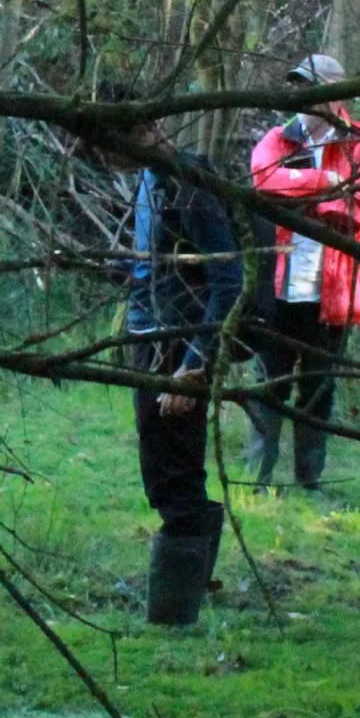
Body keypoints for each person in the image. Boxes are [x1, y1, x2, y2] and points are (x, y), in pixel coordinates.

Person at [93, 112, 246, 627]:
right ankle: (190, 593)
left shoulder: (190, 187)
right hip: (147, 339)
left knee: (176, 477)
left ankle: (174, 615)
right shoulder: (147, 182)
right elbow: (154, 267)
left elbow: (227, 281)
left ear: (147, 129)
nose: (107, 157)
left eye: (116, 142)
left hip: (179, 347)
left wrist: (194, 365)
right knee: (162, 472)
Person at [241, 56, 360, 494]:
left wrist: (308, 197)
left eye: (312, 86)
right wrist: (329, 182)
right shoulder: (277, 138)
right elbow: (264, 181)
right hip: (279, 287)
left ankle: (309, 482)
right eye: (298, 86)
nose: (303, 96)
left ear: (335, 94)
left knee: (318, 392)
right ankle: (254, 479)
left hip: (334, 291)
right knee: (268, 386)